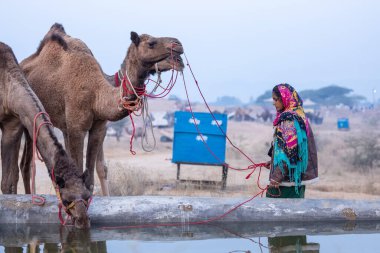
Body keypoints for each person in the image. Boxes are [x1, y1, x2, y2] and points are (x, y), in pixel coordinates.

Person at [265, 83, 318, 198]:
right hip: (295, 179)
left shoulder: (289, 119)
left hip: (286, 182)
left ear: (284, 98)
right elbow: (292, 148)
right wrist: (274, 161)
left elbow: (289, 152)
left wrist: (277, 175)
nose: (273, 103)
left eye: (275, 99)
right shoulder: (298, 114)